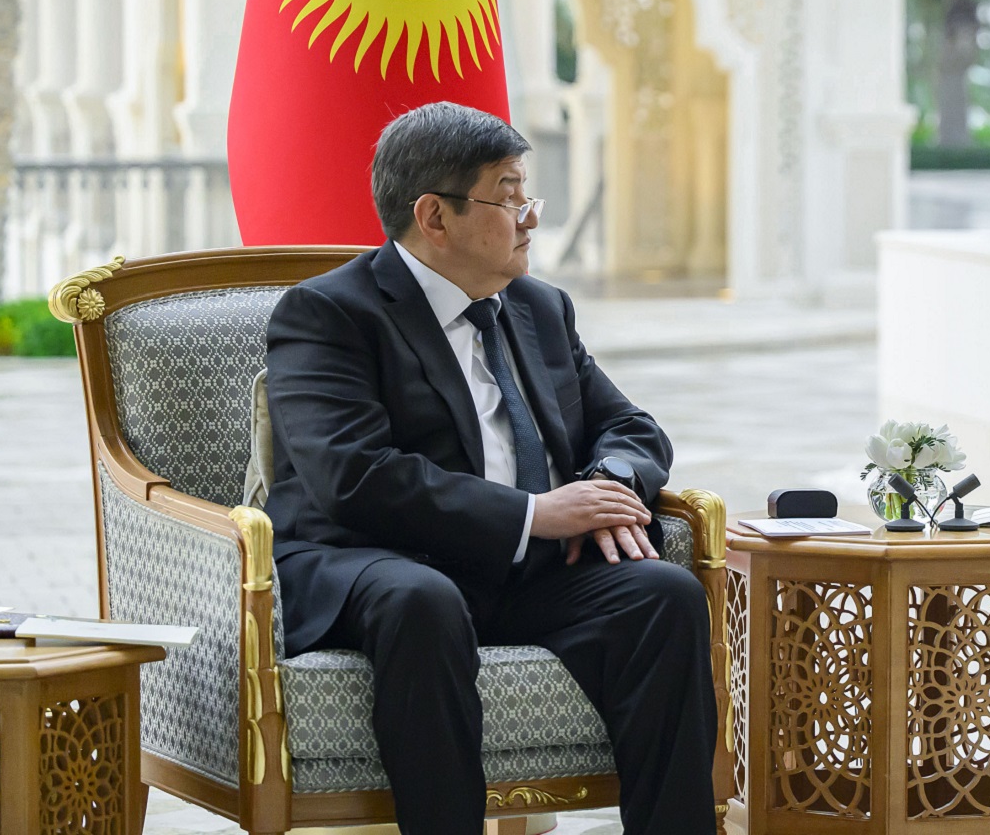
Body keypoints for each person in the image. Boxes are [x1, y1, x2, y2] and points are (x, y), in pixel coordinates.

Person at [264, 102, 716, 835]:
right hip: (375, 562)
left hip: (524, 572)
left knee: (662, 594)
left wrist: (606, 487)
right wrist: (536, 515)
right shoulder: (328, 314)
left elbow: (631, 428)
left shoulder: (537, 307)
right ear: (434, 217)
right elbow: (351, 474)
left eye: (525, 194)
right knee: (423, 599)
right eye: (508, 196)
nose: (530, 216)